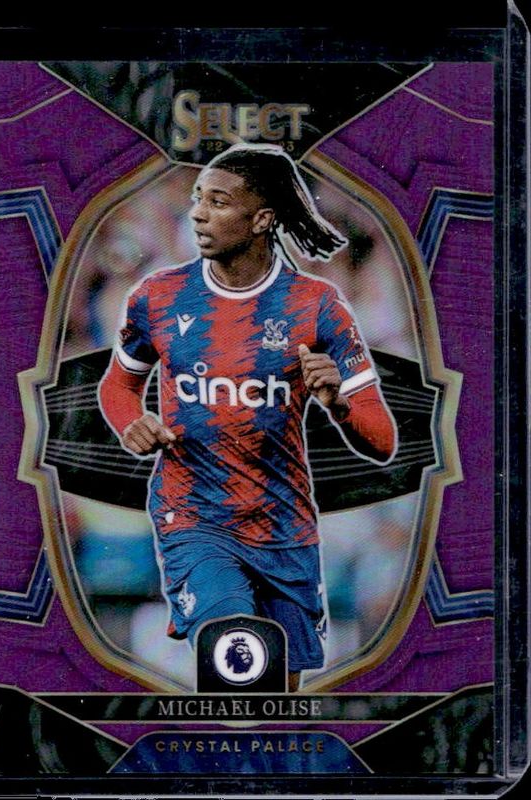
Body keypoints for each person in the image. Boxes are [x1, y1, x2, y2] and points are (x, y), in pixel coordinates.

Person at [98, 143, 397, 691]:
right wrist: (131, 422)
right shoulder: (158, 296)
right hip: (195, 517)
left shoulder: (318, 306)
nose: (198, 214)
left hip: (284, 526)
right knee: (236, 647)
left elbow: (381, 440)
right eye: (197, 199)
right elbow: (118, 385)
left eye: (217, 202)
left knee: (279, 689)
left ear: (262, 219)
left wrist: (338, 403)